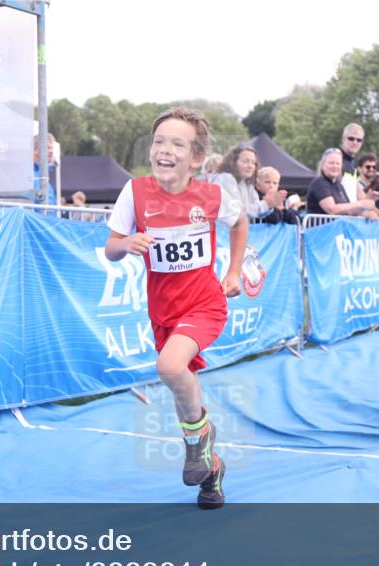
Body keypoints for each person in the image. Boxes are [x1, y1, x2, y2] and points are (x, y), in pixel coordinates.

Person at [104, 106, 247, 510]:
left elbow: (239, 224)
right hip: (163, 311)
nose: (165, 150)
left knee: (169, 367)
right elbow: (111, 248)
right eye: (159, 142)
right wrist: (126, 245)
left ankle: (198, 441)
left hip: (204, 305)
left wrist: (233, 272)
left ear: (196, 158)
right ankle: (210, 467)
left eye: (177, 144)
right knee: (179, 383)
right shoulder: (135, 192)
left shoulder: (212, 196)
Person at [214, 145, 282, 221]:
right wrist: (265, 204)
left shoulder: (247, 184)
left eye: (253, 163)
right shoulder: (225, 178)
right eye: (246, 161)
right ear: (233, 162)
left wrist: (270, 204)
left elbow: (257, 212)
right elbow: (238, 211)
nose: (250, 166)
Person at [306, 148, 379, 218]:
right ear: (323, 165)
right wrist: (360, 204)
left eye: (338, 163)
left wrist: (367, 213)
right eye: (331, 163)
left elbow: (348, 210)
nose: (335, 166)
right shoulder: (320, 183)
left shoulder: (339, 185)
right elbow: (331, 209)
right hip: (321, 229)